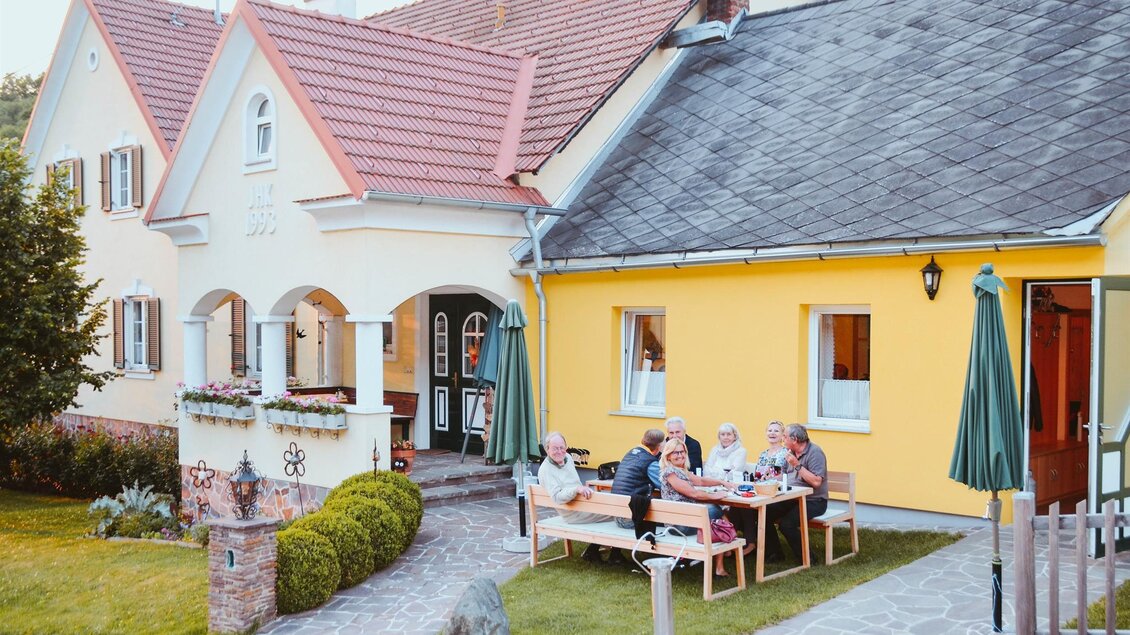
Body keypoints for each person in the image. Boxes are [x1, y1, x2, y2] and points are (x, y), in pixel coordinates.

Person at [658, 438, 738, 577]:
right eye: (675, 453)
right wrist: (715, 495)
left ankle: (724, 555)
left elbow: (700, 481)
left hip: (686, 518)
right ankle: (726, 550)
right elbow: (693, 493)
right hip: (678, 525)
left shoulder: (681, 470)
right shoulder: (670, 472)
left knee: (715, 515)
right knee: (715, 511)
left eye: (682, 452)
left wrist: (722, 482)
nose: (680, 455)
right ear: (668, 456)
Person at [539, 432, 613, 563]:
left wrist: (580, 490)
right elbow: (557, 497)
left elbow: (574, 483)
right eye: (555, 448)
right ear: (547, 449)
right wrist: (577, 490)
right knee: (618, 513)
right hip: (572, 513)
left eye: (562, 447)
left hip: (582, 504)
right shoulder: (546, 470)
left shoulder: (567, 457)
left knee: (616, 504)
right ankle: (606, 553)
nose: (559, 451)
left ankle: (597, 551)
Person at [763, 424, 828, 564]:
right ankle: (775, 554)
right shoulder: (789, 451)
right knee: (763, 514)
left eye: (785, 436)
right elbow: (784, 475)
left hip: (813, 501)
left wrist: (797, 465)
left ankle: (808, 558)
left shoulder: (815, 453)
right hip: (791, 498)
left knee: (787, 524)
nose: (782, 439)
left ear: (795, 439)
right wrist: (769, 478)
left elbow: (817, 482)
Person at [607, 429, 666, 566]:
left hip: (618, 513)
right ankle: (666, 554)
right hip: (629, 519)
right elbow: (665, 485)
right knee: (666, 517)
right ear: (659, 446)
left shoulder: (631, 453)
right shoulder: (650, 462)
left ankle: (614, 553)